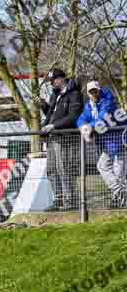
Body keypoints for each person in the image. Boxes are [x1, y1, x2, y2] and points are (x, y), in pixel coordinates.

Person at [38, 68, 84, 211]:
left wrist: (54, 125)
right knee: (51, 169)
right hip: (52, 137)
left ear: (60, 79)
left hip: (65, 137)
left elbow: (73, 117)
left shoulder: (74, 94)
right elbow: (51, 115)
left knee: (64, 168)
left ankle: (69, 200)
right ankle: (58, 199)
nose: (51, 83)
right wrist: (44, 106)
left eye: (53, 80)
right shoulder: (55, 95)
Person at [77, 81, 125, 208]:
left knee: (114, 169)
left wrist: (91, 127)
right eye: (91, 92)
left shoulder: (107, 100)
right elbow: (81, 118)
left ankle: (119, 194)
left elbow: (105, 117)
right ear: (88, 93)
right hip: (109, 141)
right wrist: (83, 126)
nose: (94, 94)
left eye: (95, 91)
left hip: (119, 138)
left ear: (99, 90)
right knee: (114, 169)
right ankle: (119, 195)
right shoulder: (90, 105)